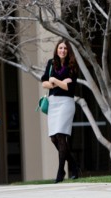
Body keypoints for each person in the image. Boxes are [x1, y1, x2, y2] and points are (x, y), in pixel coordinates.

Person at [41, 39, 79, 183]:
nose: (62, 50)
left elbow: (68, 87)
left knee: (61, 136)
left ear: (68, 51)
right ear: (57, 49)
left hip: (66, 103)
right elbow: (44, 82)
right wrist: (59, 82)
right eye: (60, 48)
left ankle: (61, 171)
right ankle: (74, 164)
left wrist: (54, 81)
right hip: (53, 103)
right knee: (53, 138)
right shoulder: (51, 63)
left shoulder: (72, 65)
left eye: (65, 48)